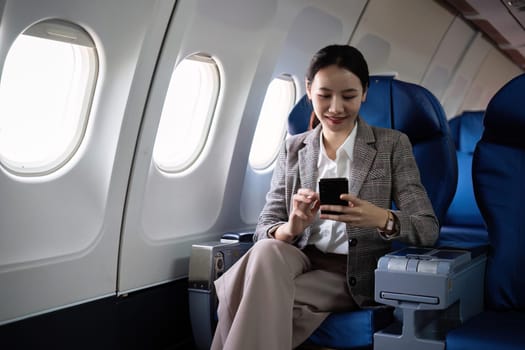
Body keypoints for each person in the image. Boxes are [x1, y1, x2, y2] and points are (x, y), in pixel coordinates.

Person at [210, 44, 439, 350]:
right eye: (324, 95)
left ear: (365, 93)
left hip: (351, 272)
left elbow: (428, 229)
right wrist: (292, 226)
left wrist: (381, 218)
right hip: (298, 260)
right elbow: (266, 224)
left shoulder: (391, 145)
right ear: (308, 91)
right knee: (265, 250)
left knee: (244, 297)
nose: (335, 108)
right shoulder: (294, 148)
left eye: (348, 96)